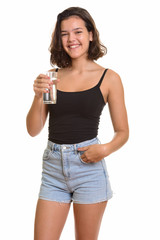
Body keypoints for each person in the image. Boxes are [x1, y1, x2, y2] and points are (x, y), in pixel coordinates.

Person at [26, 6, 129, 240]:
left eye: (78, 32)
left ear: (91, 34)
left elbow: (123, 132)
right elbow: (33, 130)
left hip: (89, 168)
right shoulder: (51, 77)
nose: (71, 39)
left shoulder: (109, 78)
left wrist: (104, 149)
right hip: (53, 169)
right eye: (64, 34)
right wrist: (37, 95)